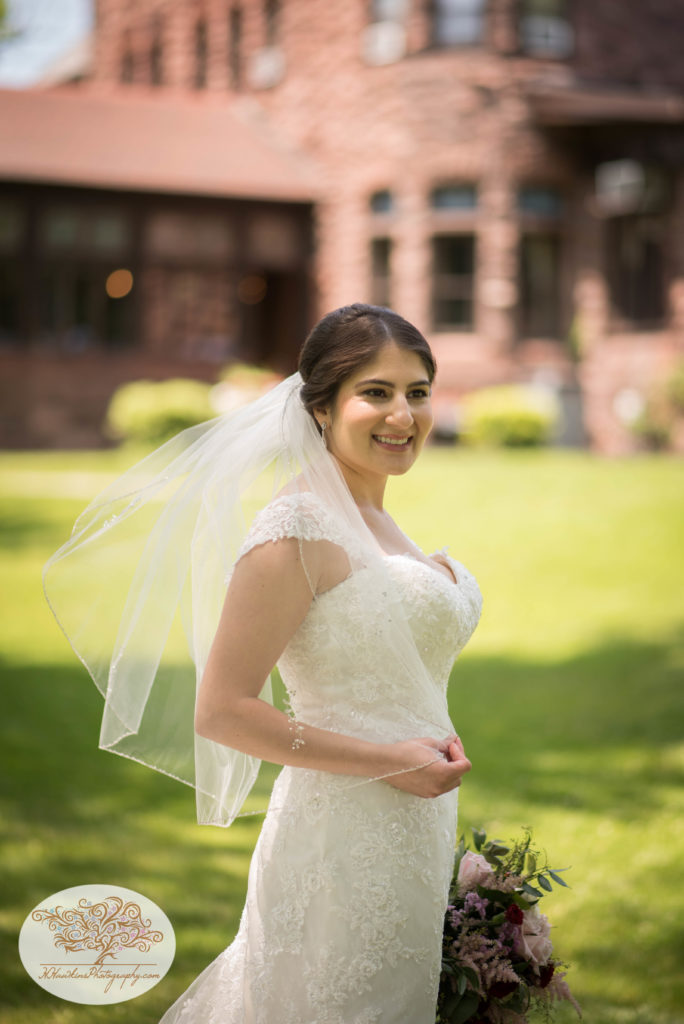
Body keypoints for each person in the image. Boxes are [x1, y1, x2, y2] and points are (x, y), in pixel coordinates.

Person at [43, 303, 483, 1024]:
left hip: (414, 830)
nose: (402, 413)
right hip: (336, 840)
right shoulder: (297, 527)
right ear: (319, 407)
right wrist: (386, 761)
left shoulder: (380, 522)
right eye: (375, 392)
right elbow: (221, 710)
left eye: (418, 392)